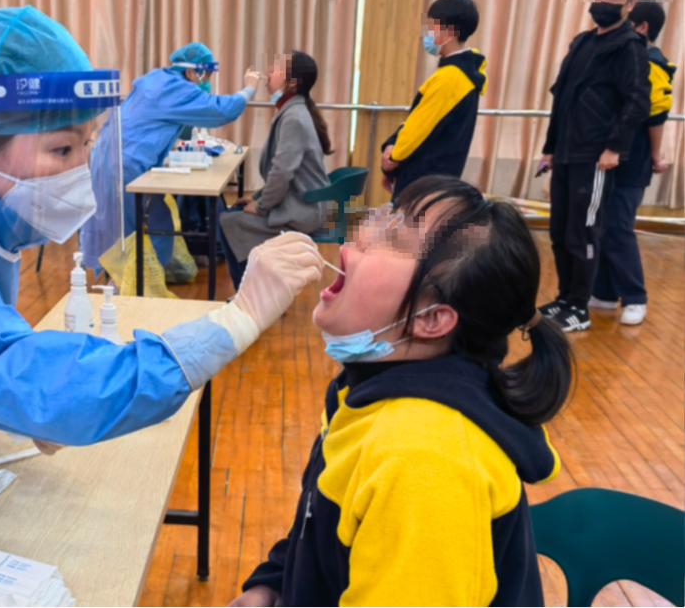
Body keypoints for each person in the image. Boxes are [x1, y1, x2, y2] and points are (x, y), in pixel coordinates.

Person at [0, 7, 325, 574]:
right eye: (62, 152)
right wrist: (235, 320)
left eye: (87, 147)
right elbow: (9, 364)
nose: (79, 172)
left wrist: (8, 402)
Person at [226, 175, 572, 608]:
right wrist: (274, 584)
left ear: (430, 319)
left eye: (393, 235)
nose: (360, 229)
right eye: (384, 215)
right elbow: (325, 525)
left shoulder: (422, 462)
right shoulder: (367, 390)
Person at [80, 42, 261, 269]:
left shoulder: (155, 79)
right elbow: (221, 110)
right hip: (126, 163)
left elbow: (154, 121)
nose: (204, 82)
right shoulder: (176, 89)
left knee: (115, 221)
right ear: (189, 72)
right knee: (137, 226)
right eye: (202, 75)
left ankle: (131, 278)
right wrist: (249, 89)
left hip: (107, 154)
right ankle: (133, 284)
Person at [539, 0, 650, 332]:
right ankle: (565, 297)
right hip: (568, 154)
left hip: (596, 158)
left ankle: (580, 308)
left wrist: (614, 148)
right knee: (559, 230)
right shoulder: (582, 43)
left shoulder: (629, 46)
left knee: (583, 232)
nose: (602, 1)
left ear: (629, 2)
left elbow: (637, 103)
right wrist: (550, 147)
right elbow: (562, 98)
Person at [590, 2, 676, 326]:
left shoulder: (652, 63)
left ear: (640, 28)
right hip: (608, 158)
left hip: (632, 160)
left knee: (618, 228)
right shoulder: (624, 58)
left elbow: (656, 115)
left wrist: (655, 155)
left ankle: (636, 297)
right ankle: (604, 292)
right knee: (603, 226)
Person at [219, 51, 332, 290]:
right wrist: (257, 198)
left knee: (227, 223)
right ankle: (257, 293)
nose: (269, 71)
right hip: (300, 204)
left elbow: (281, 173)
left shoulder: (293, 117)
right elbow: (281, 173)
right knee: (234, 213)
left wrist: (261, 207)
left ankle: (251, 298)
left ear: (292, 83)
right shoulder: (293, 111)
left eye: (277, 68)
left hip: (303, 212)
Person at [380, 0, 486, 198]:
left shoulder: (450, 79)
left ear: (449, 32)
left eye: (431, 26)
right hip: (436, 181)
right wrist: (393, 143)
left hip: (423, 184)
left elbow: (417, 130)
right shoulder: (460, 75)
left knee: (411, 230)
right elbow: (418, 119)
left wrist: (391, 159)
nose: (426, 32)